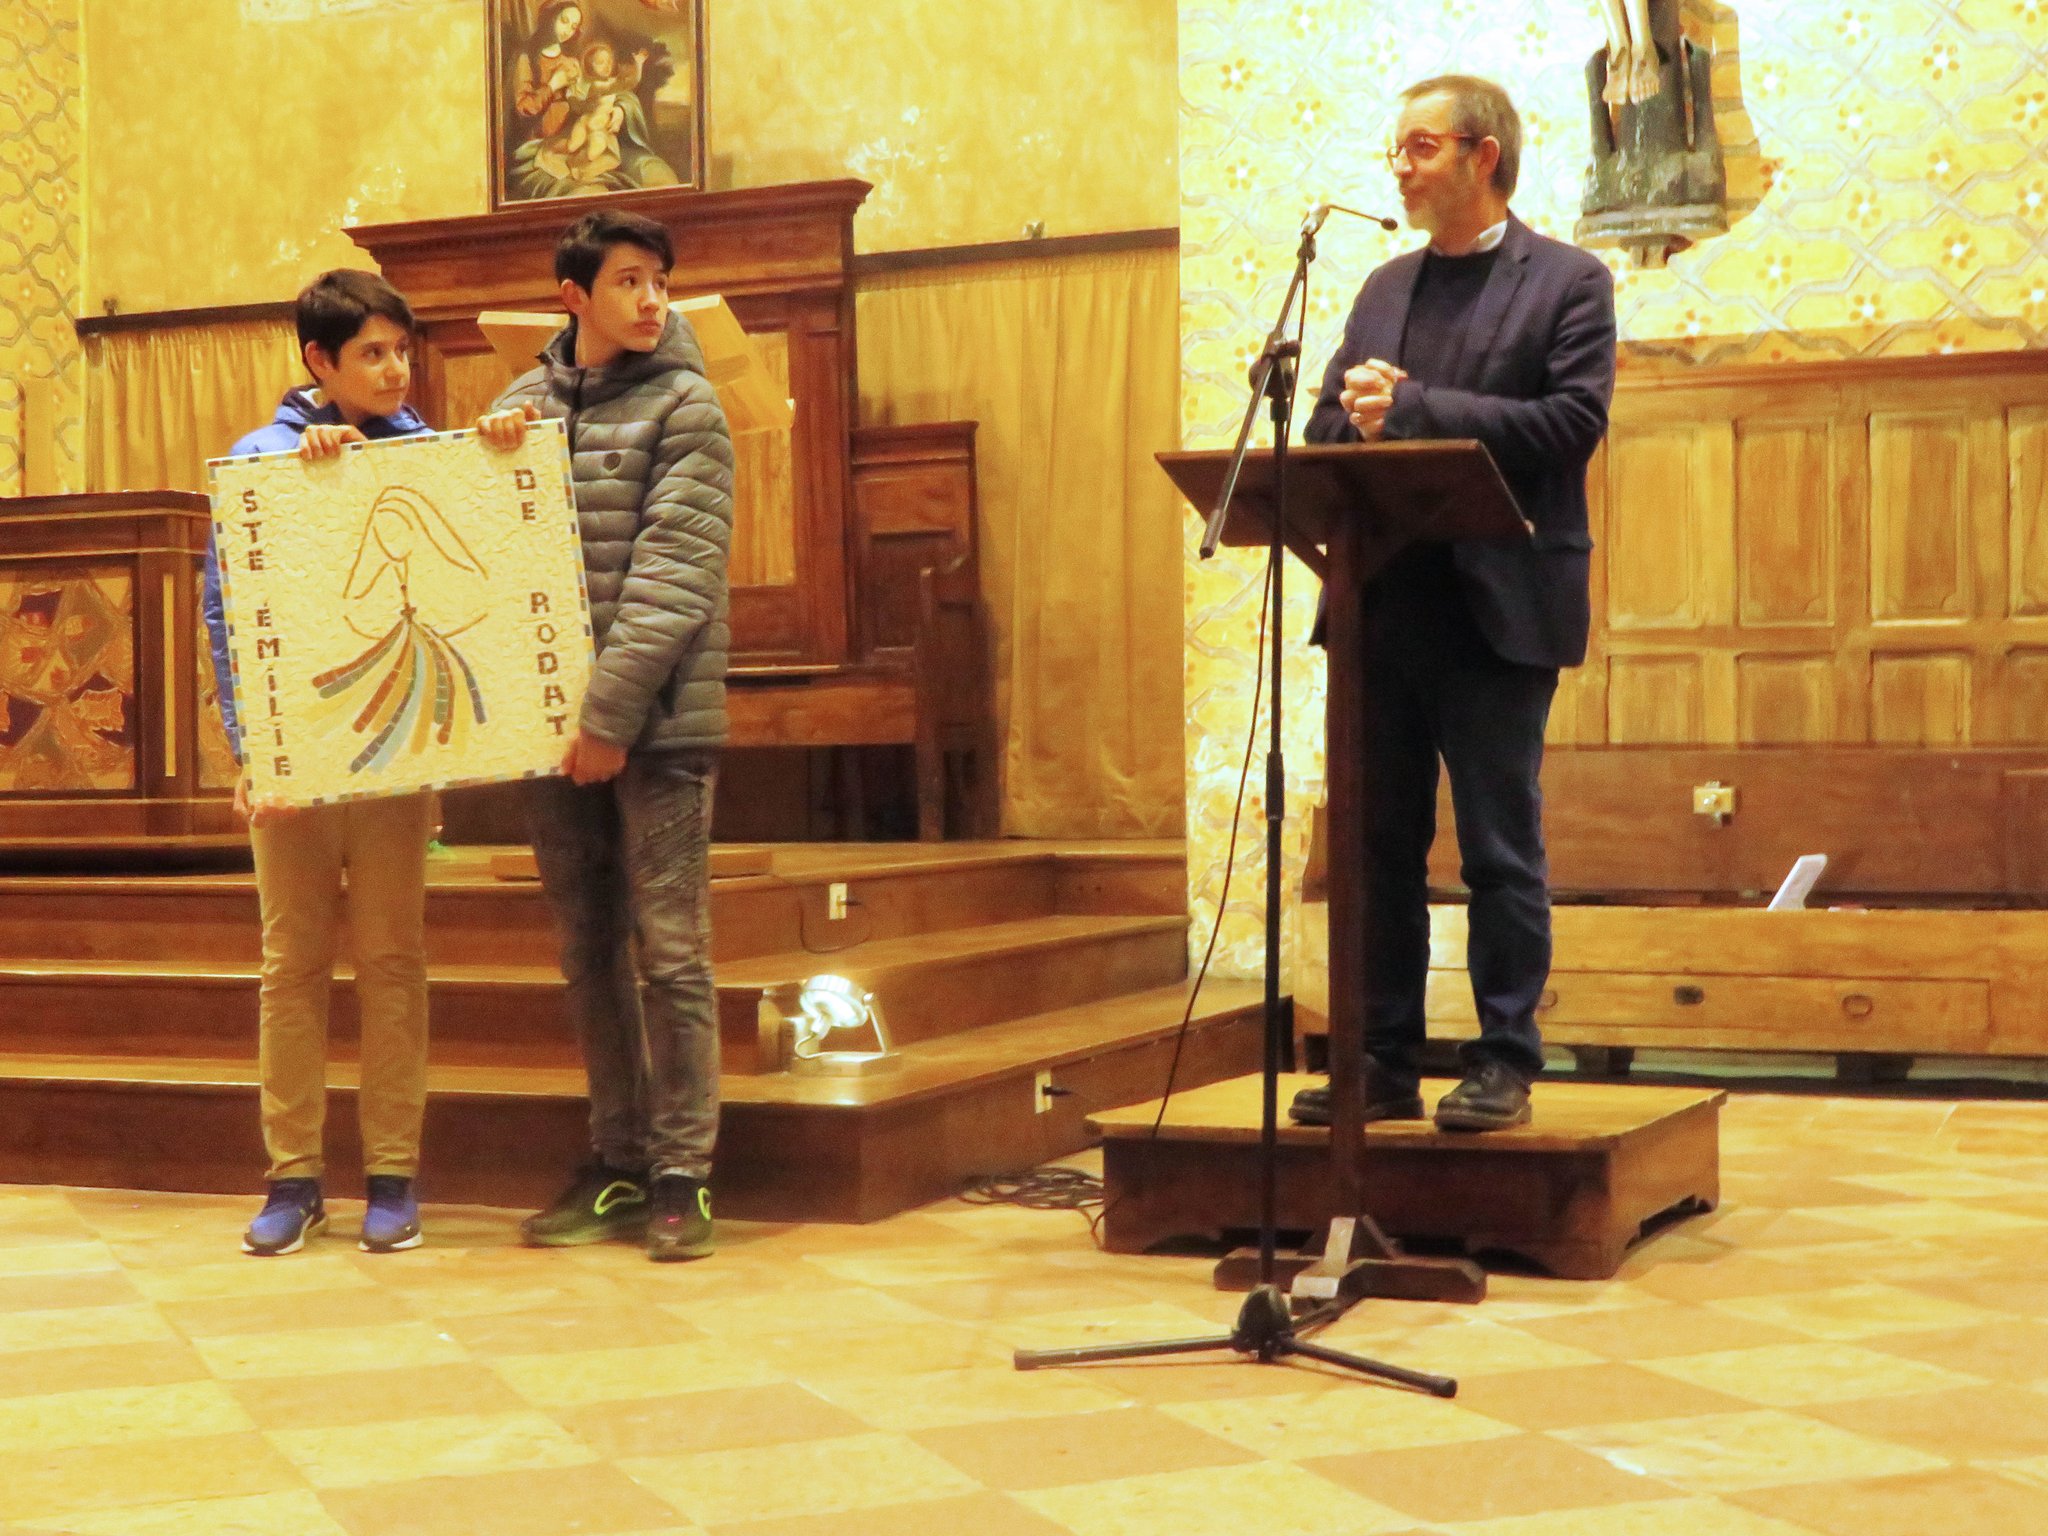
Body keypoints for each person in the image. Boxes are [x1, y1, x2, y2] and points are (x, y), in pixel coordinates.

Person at [1287, 75, 1617, 1134]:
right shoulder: (1382, 287)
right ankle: (1378, 1059)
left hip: (1499, 608)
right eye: (1395, 148)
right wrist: (1353, 418)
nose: (1399, 165)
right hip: (1382, 603)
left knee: (1494, 851)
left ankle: (1502, 1059)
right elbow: (1323, 432)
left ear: (1483, 155)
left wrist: (1416, 407)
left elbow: (1569, 423)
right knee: (1373, 848)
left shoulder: (1567, 280)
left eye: (1419, 146)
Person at [477, 208, 734, 1261]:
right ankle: (617, 1161)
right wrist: (483, 459)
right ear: (572, 296)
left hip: (656, 727)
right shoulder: (517, 407)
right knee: (587, 953)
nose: (651, 299)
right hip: (550, 733)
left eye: (659, 281)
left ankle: (683, 1174)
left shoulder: (690, 406)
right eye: (628, 280)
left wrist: (606, 720)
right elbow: (476, 557)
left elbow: (672, 581)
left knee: (669, 954)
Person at [202, 269, 436, 1255]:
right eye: (371, 353)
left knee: (391, 960)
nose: (393, 369)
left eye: (400, 350)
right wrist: (250, 751)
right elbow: (227, 615)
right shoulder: (259, 462)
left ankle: (394, 1172)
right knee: (289, 966)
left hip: (392, 752)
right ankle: (292, 1177)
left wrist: (498, 455)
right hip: (296, 757)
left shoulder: (429, 454)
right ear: (318, 362)